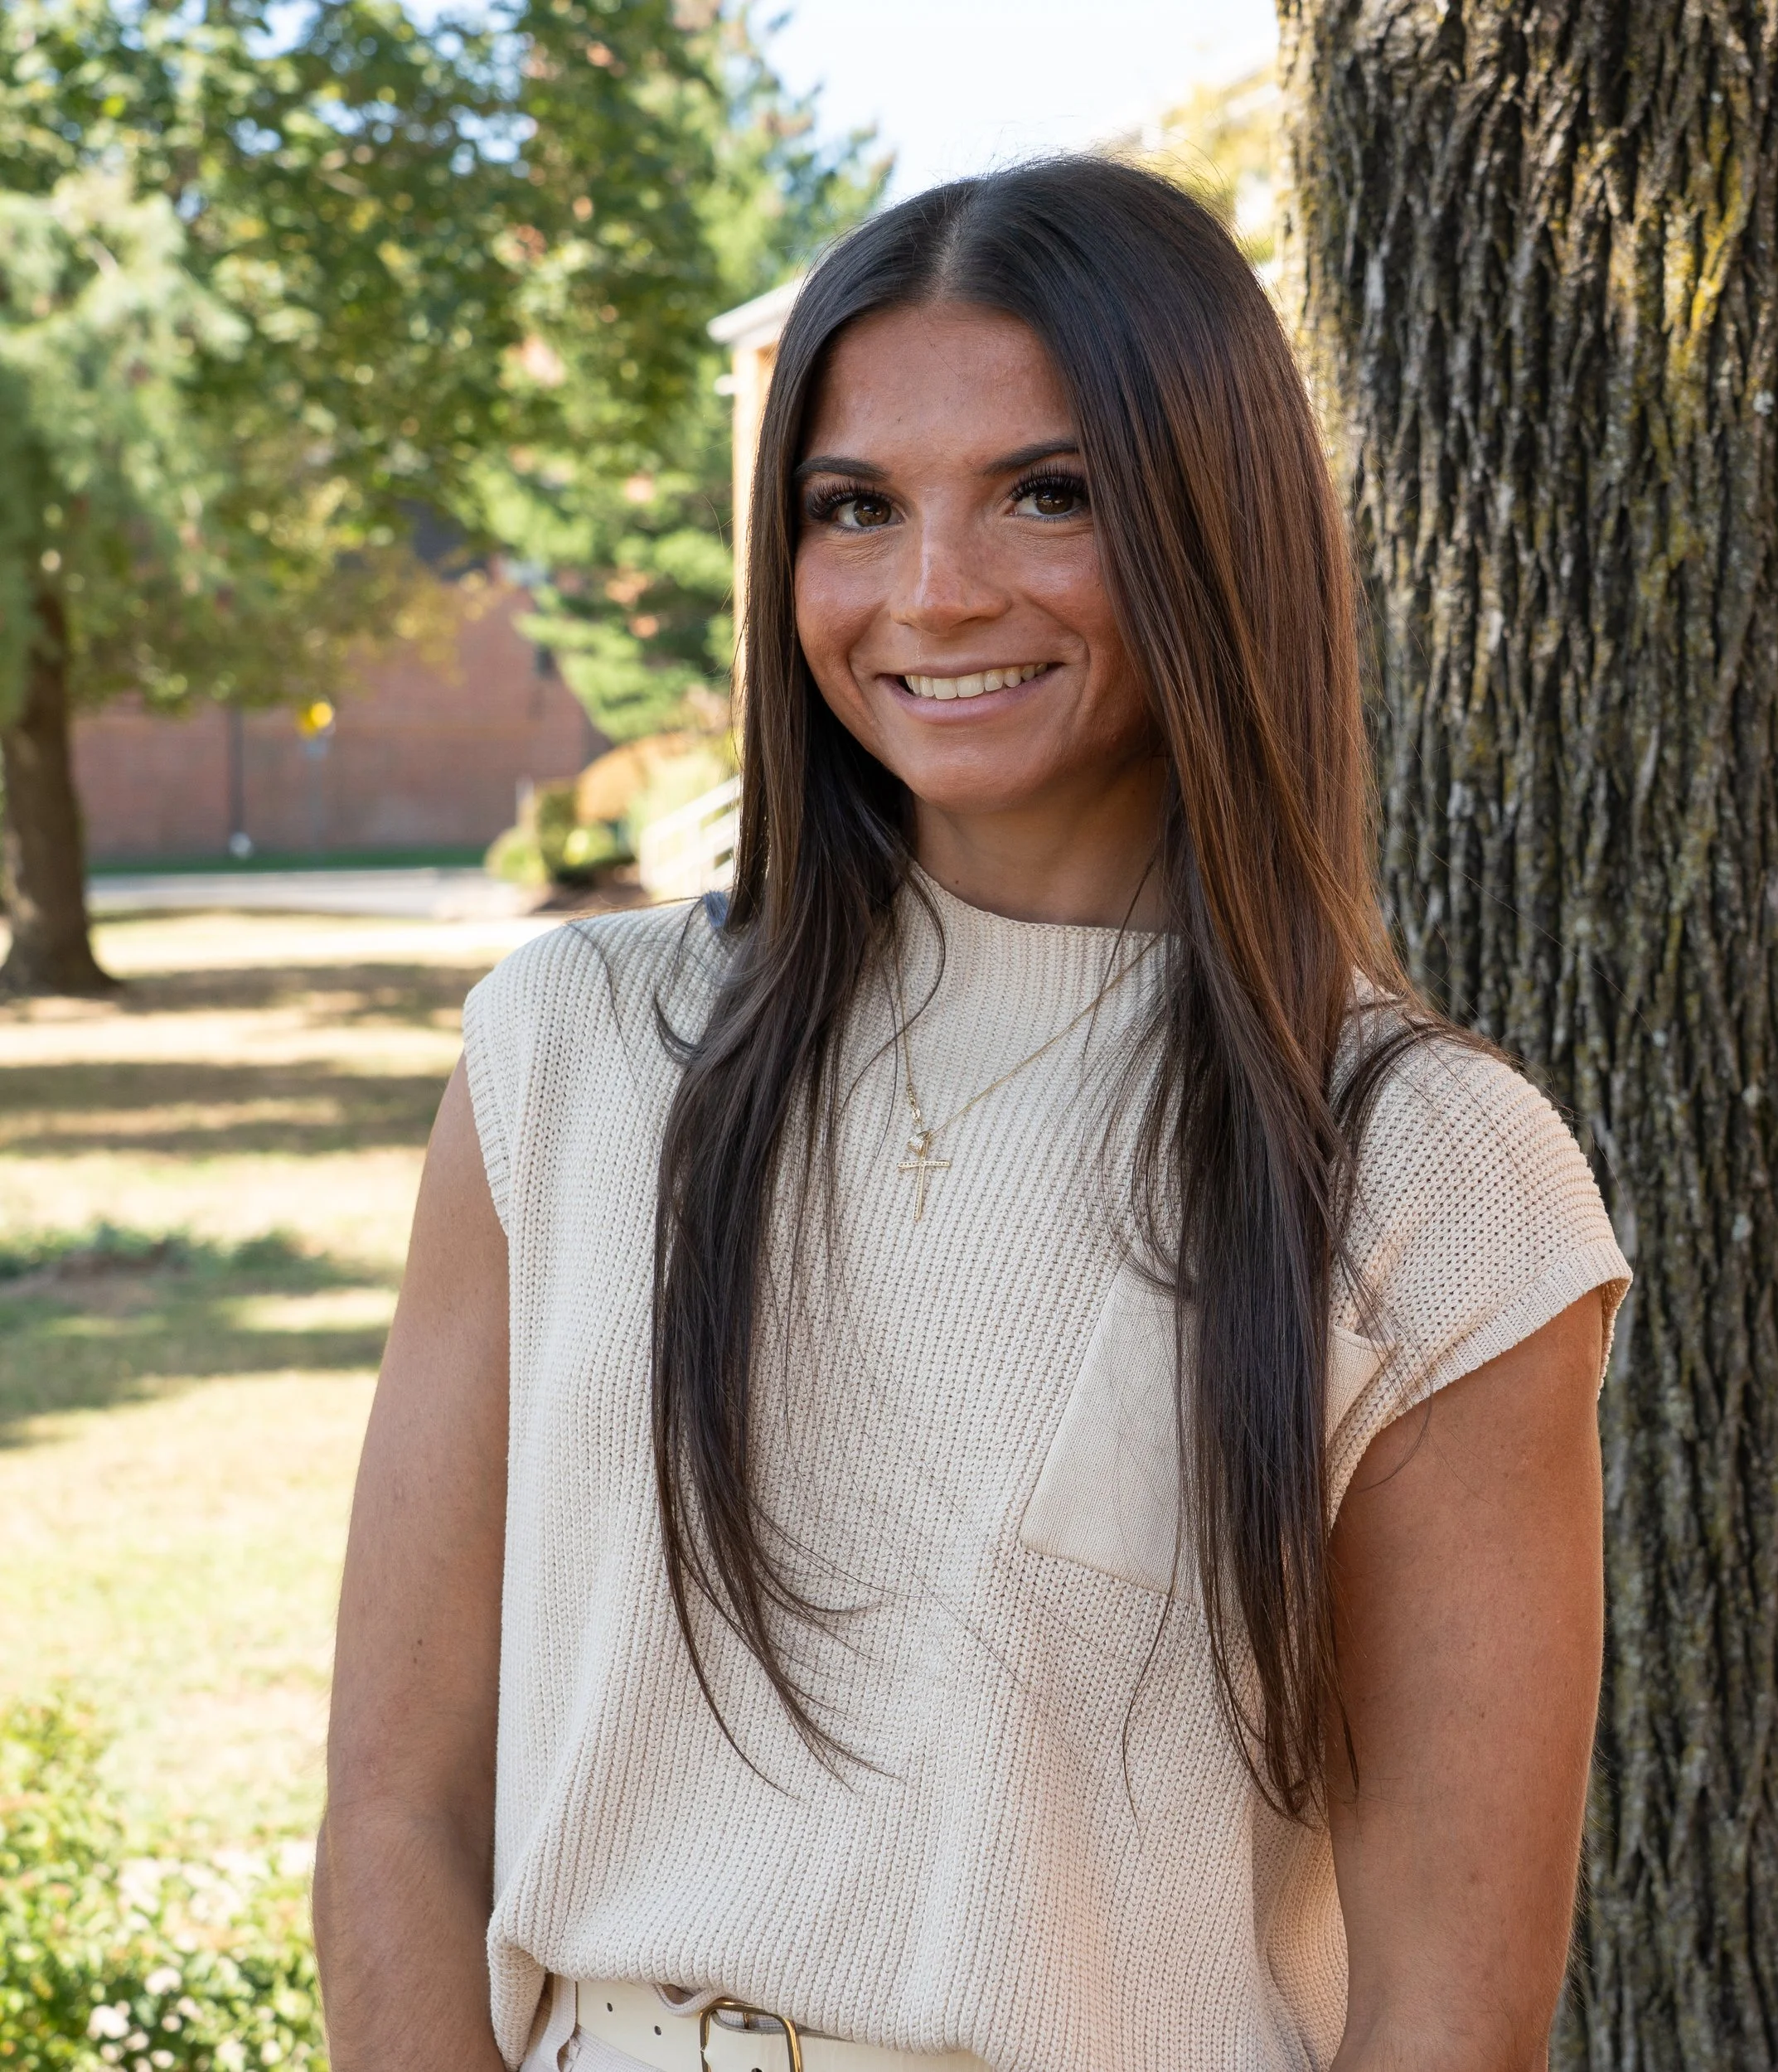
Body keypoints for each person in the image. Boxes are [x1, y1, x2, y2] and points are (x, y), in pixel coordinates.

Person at [313, 157, 1630, 2072]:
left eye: (1047, 491)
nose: (934, 590)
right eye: (854, 508)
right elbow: (396, 1806)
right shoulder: (570, 1055)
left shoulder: (1424, 1170)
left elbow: (1448, 2011)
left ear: (1213, 519)